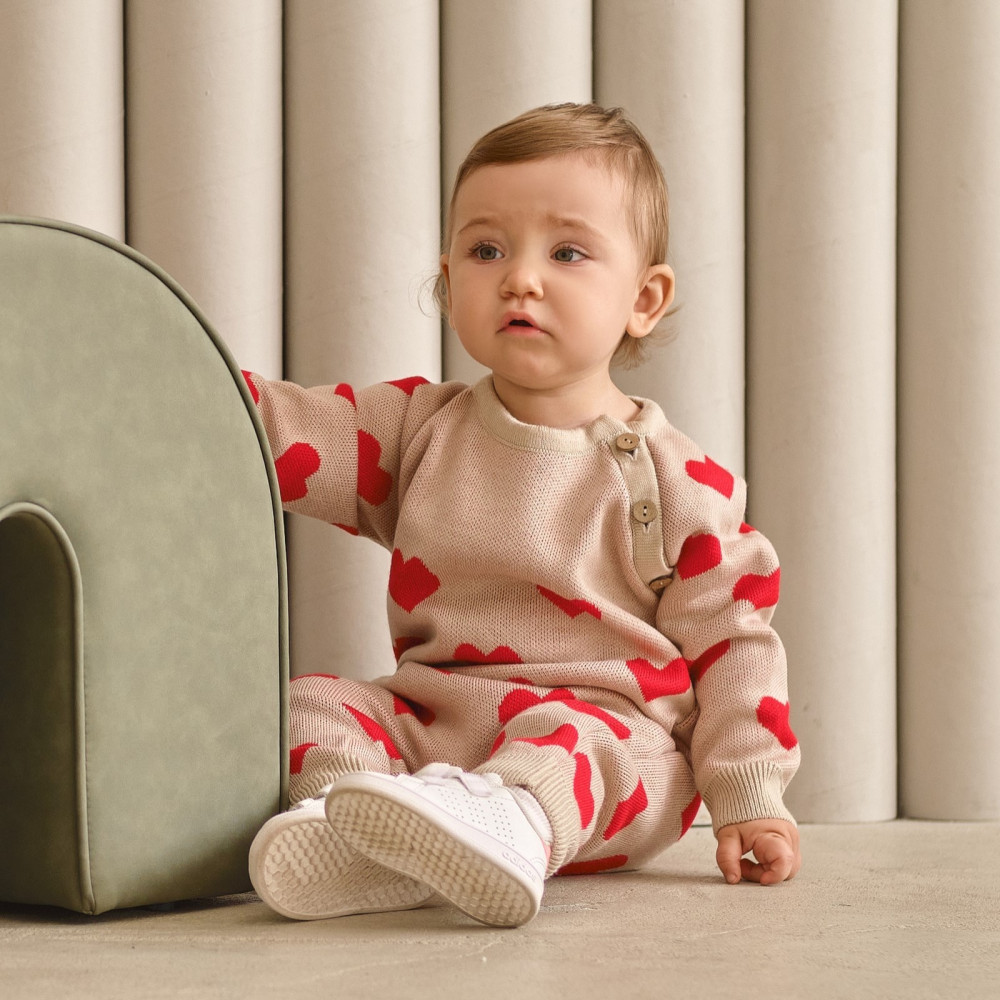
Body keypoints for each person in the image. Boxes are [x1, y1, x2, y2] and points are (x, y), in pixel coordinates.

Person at [244, 103, 801, 929]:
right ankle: (355, 826)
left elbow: (735, 645)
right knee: (304, 701)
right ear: (448, 282)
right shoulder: (417, 430)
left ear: (644, 298)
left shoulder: (679, 481)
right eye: (487, 250)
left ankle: (509, 823)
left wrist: (748, 793)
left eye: (566, 253)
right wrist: (177, 379)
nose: (520, 279)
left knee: (575, 737)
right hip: (436, 726)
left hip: (606, 751)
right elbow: (274, 428)